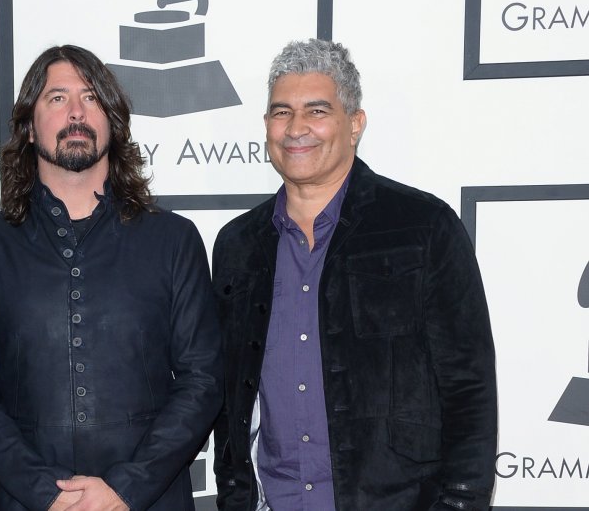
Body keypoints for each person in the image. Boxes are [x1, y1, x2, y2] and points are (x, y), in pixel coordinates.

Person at [212, 39, 497, 510]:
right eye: (281, 112)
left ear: (355, 125)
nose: (296, 128)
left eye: (317, 111)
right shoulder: (238, 245)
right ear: (266, 126)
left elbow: (469, 389)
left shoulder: (423, 228)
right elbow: (228, 399)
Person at [0, 45, 222, 510]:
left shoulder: (173, 240)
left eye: (91, 97)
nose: (76, 112)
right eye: (57, 98)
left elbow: (203, 381)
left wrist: (125, 489)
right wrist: (48, 493)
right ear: (28, 124)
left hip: (151, 500)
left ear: (113, 120)